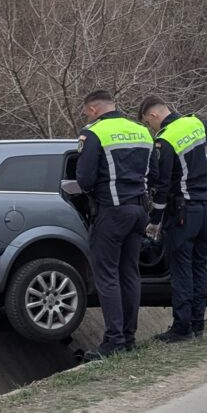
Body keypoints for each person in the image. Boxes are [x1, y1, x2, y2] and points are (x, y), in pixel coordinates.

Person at [139, 95, 207, 343]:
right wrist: (197, 119)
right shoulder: (194, 123)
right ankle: (198, 324)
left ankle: (182, 327)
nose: (150, 127)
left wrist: (155, 219)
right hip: (205, 208)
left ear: (154, 115)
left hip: (182, 213)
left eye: (147, 122)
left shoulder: (165, 139)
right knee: (199, 267)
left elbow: (162, 185)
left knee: (181, 271)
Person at [76, 89, 153, 359]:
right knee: (130, 273)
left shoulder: (94, 132)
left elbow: (84, 179)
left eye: (86, 111)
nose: (85, 115)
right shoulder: (141, 131)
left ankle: (113, 341)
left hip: (111, 210)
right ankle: (129, 338)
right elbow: (152, 172)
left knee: (107, 275)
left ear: (94, 109)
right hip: (139, 210)